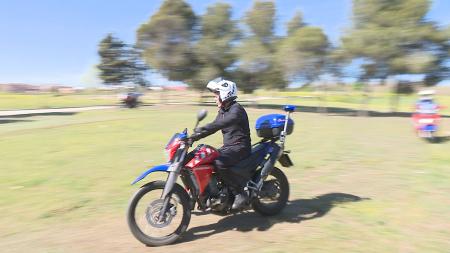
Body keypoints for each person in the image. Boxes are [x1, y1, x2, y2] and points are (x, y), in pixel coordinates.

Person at [190, 77, 252, 209]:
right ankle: (203, 194)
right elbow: (214, 126)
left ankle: (239, 193)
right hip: (229, 147)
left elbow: (221, 124)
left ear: (225, 93)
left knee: (219, 163)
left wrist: (203, 128)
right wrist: (195, 137)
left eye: (216, 94)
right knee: (202, 157)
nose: (214, 97)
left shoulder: (236, 110)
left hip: (240, 147)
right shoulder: (222, 111)